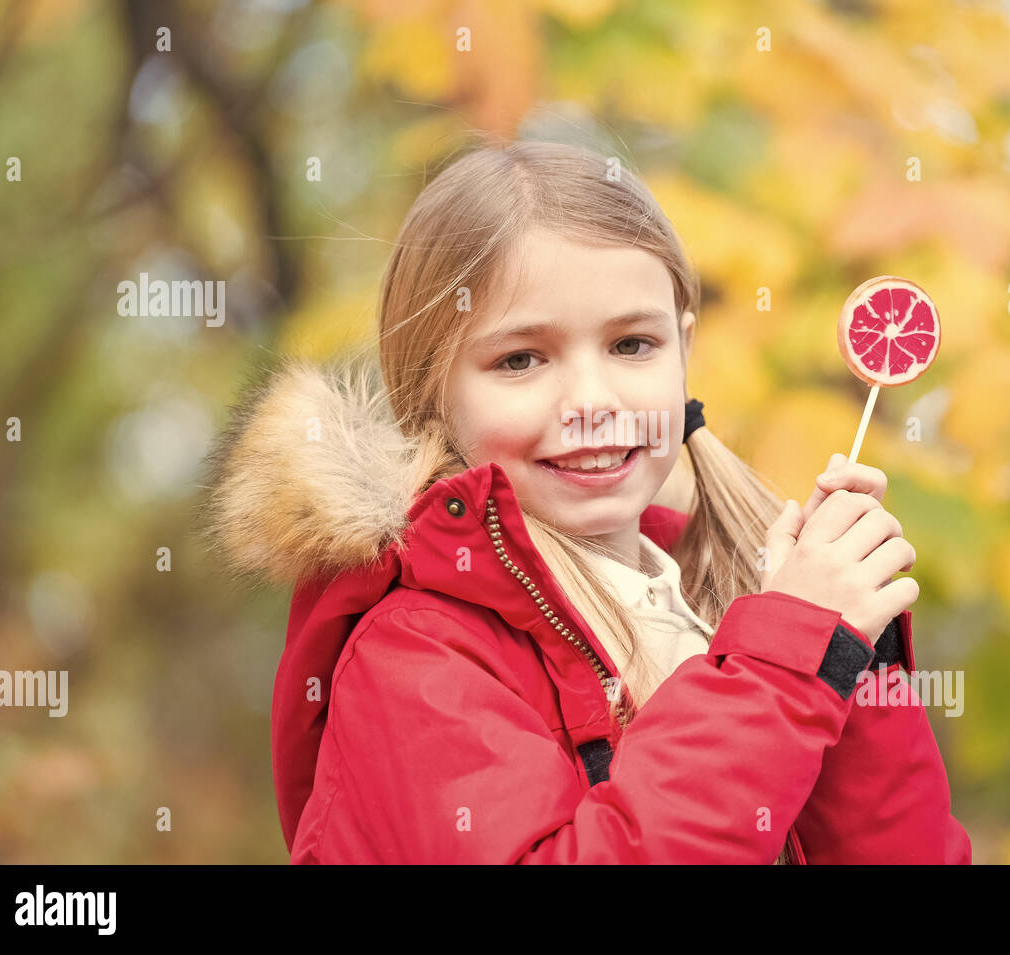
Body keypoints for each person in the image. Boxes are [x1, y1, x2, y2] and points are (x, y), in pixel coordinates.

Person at [201, 139, 971, 864]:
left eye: (631, 345)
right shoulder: (415, 650)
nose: (593, 400)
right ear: (431, 393)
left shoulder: (731, 600)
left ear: (683, 347)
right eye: (521, 359)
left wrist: (843, 657)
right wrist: (783, 667)